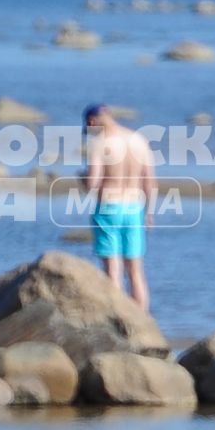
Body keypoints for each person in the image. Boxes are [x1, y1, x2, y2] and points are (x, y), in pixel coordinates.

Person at [82, 104, 156, 311]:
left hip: (109, 206)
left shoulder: (100, 143)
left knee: (113, 271)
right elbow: (149, 181)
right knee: (136, 272)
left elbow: (93, 183)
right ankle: (142, 321)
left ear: (92, 121)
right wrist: (149, 212)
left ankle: (119, 317)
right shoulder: (139, 140)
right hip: (135, 207)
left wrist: (82, 178)